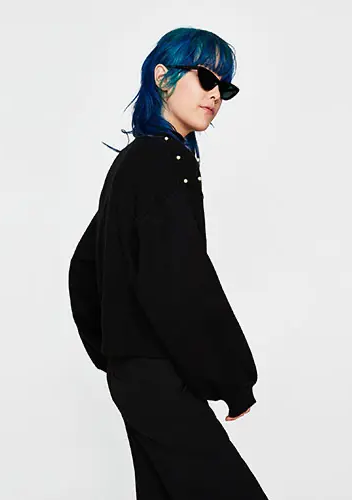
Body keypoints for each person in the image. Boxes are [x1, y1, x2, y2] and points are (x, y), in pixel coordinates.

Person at [68, 27, 270, 499]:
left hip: (137, 376)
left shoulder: (134, 162)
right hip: (159, 375)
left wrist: (116, 354)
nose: (215, 95)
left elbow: (84, 267)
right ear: (163, 77)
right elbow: (183, 282)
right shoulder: (165, 162)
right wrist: (234, 379)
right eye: (206, 78)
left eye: (225, 88)